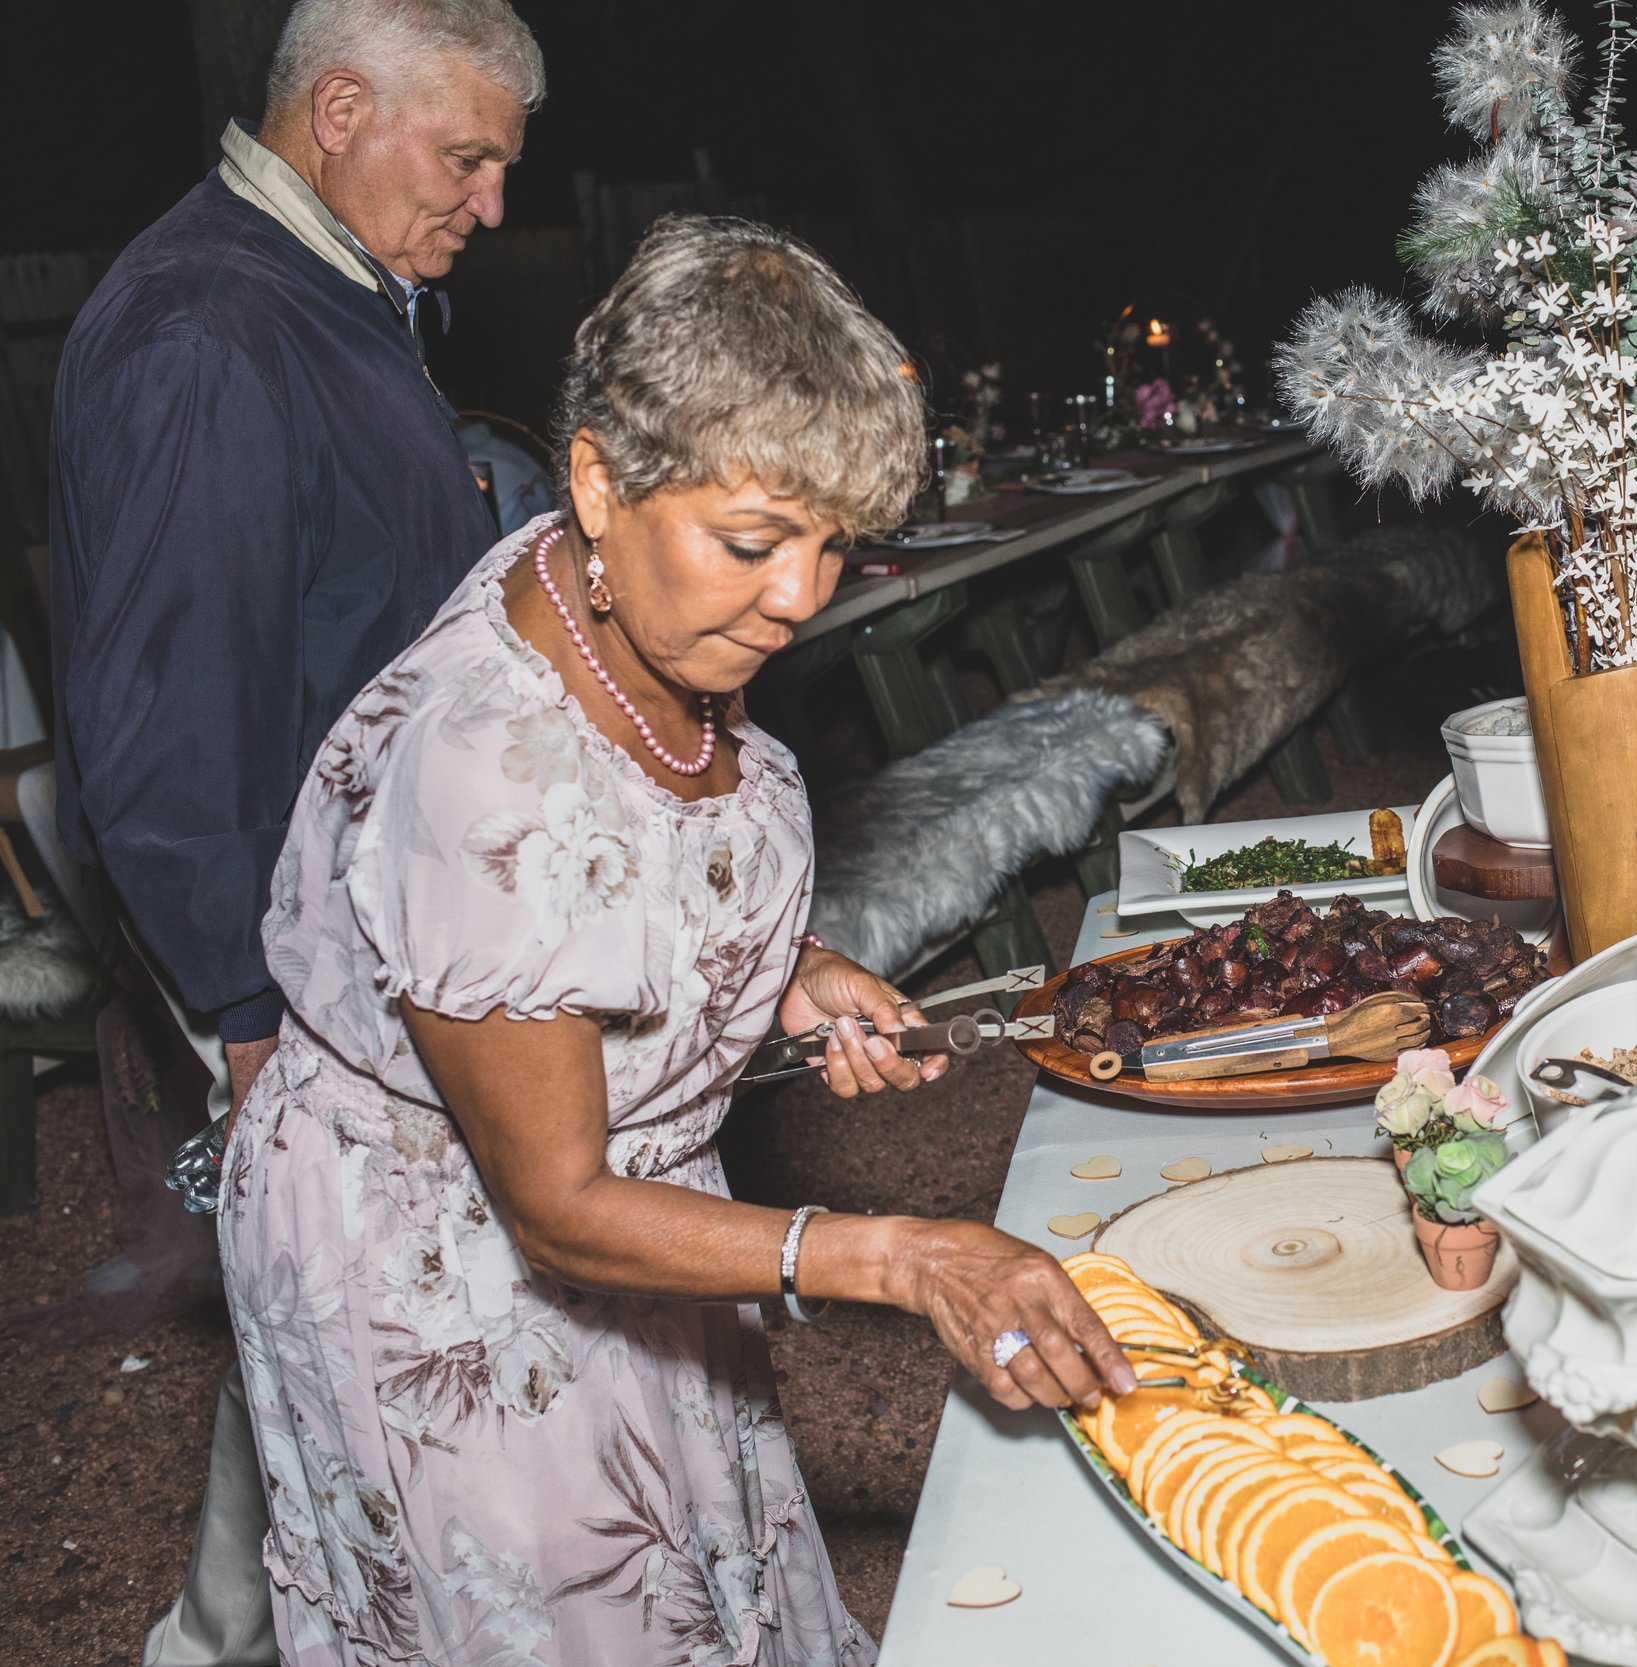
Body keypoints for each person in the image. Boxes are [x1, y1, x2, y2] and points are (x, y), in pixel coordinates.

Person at [222, 214, 1135, 1666]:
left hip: (620, 1228)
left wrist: (783, 971)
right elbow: (561, 1200)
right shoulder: (488, 767)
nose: (803, 598)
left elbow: (632, 868)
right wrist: (909, 1259)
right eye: (758, 542)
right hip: (457, 1273)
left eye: (836, 545)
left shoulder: (636, 605)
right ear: (598, 478)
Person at [45, 2, 543, 1661]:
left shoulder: (332, 294)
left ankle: (226, 1629)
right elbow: (167, 727)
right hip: (293, 957)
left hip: (369, 936)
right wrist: (247, 1020)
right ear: (339, 112)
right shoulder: (209, 328)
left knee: (342, 1310)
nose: (490, 203)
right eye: (466, 156)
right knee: (361, 1313)